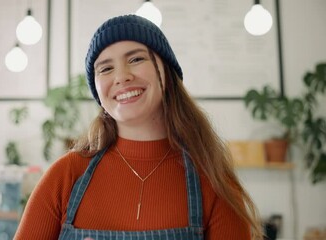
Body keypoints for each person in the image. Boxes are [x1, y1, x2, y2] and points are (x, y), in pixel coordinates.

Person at [14, 14, 263, 240]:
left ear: (165, 72)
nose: (121, 76)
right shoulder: (65, 175)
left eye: (136, 59)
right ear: (98, 92)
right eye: (106, 68)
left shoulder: (214, 181)